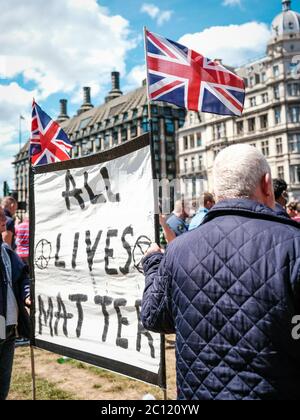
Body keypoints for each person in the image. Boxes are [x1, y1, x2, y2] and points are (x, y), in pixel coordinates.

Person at [141, 144, 300, 400]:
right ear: (267, 184)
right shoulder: (294, 245)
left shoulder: (178, 249)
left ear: (216, 191)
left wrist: (152, 264)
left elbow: (154, 318)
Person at [0, 207, 31, 400]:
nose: (4, 221)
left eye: (3, 219)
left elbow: (21, 277)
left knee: (3, 383)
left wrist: (27, 294)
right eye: (1, 220)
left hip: (10, 328)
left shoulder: (5, 250)